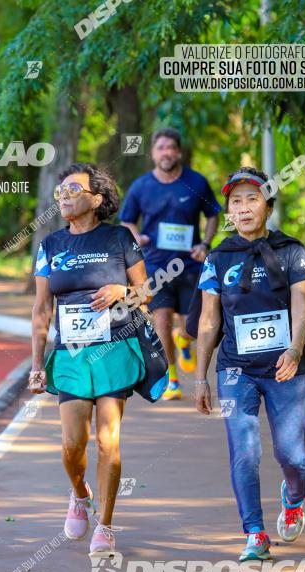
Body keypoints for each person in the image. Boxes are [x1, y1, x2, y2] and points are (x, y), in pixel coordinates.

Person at [29, 162, 150, 554]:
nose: (63, 195)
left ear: (96, 199)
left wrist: (121, 291)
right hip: (70, 356)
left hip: (114, 348)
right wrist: (35, 363)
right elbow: (41, 308)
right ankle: (80, 493)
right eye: (60, 190)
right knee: (71, 444)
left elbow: (146, 293)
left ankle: (106, 524)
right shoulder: (51, 245)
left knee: (108, 441)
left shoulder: (119, 238)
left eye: (73, 189)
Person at [194, 167, 305, 561]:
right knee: (244, 450)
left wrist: (295, 349)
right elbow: (209, 319)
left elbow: (302, 303)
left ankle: (293, 498)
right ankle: (255, 533)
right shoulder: (217, 257)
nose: (243, 208)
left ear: (268, 205)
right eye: (235, 201)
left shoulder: (293, 251)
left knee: (293, 456)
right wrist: (200, 377)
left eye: (252, 199)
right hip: (234, 368)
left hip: (285, 366)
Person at [120, 127, 221, 399]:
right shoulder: (141, 186)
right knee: (162, 320)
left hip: (190, 265)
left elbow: (213, 214)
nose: (166, 152)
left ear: (178, 152)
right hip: (155, 266)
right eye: (160, 147)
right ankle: (172, 379)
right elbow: (126, 219)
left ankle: (184, 340)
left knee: (192, 325)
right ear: (153, 153)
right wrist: (135, 236)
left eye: (170, 147)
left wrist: (205, 244)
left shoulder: (196, 182)